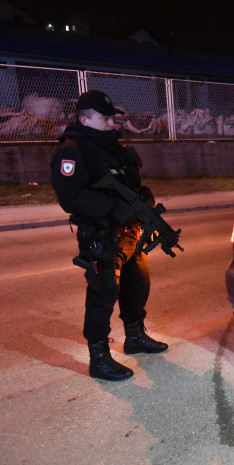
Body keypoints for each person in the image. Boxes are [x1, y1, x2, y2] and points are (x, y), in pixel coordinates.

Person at [50, 90, 168, 382]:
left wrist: (144, 200)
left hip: (130, 233)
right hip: (101, 235)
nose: (112, 123)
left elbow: (132, 186)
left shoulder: (114, 148)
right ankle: (99, 358)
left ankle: (135, 336)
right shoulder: (72, 152)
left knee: (137, 286)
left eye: (112, 117)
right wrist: (115, 208)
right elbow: (71, 197)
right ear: (84, 120)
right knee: (103, 295)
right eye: (105, 118)